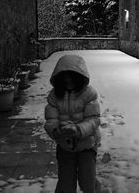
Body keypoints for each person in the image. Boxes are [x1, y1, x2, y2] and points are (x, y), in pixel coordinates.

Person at [44, 54, 101, 193]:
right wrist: (56, 131)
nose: (68, 81)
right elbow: (50, 120)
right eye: (65, 78)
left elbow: (94, 119)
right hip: (65, 146)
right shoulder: (54, 95)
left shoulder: (89, 94)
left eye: (72, 77)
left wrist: (78, 129)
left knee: (88, 181)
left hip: (87, 145)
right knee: (66, 183)